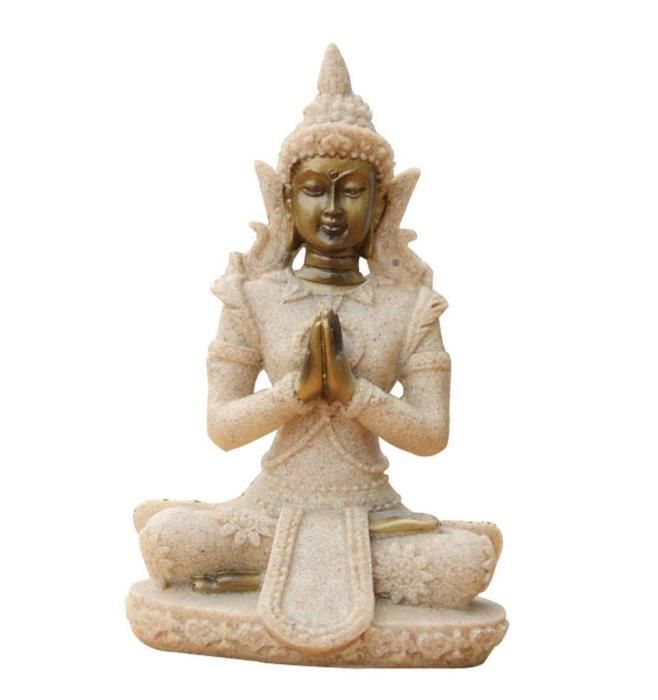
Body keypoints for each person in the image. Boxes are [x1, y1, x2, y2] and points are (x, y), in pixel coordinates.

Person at [134, 45, 501, 651]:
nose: (332, 209)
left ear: (382, 203)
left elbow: (431, 434)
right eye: (313, 190)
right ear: (285, 200)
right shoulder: (251, 296)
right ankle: (295, 573)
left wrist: (355, 393)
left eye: (352, 191)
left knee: (464, 563)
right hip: (270, 507)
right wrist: (293, 393)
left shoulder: (412, 305)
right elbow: (222, 428)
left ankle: (261, 579)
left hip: (373, 514)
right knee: (169, 541)